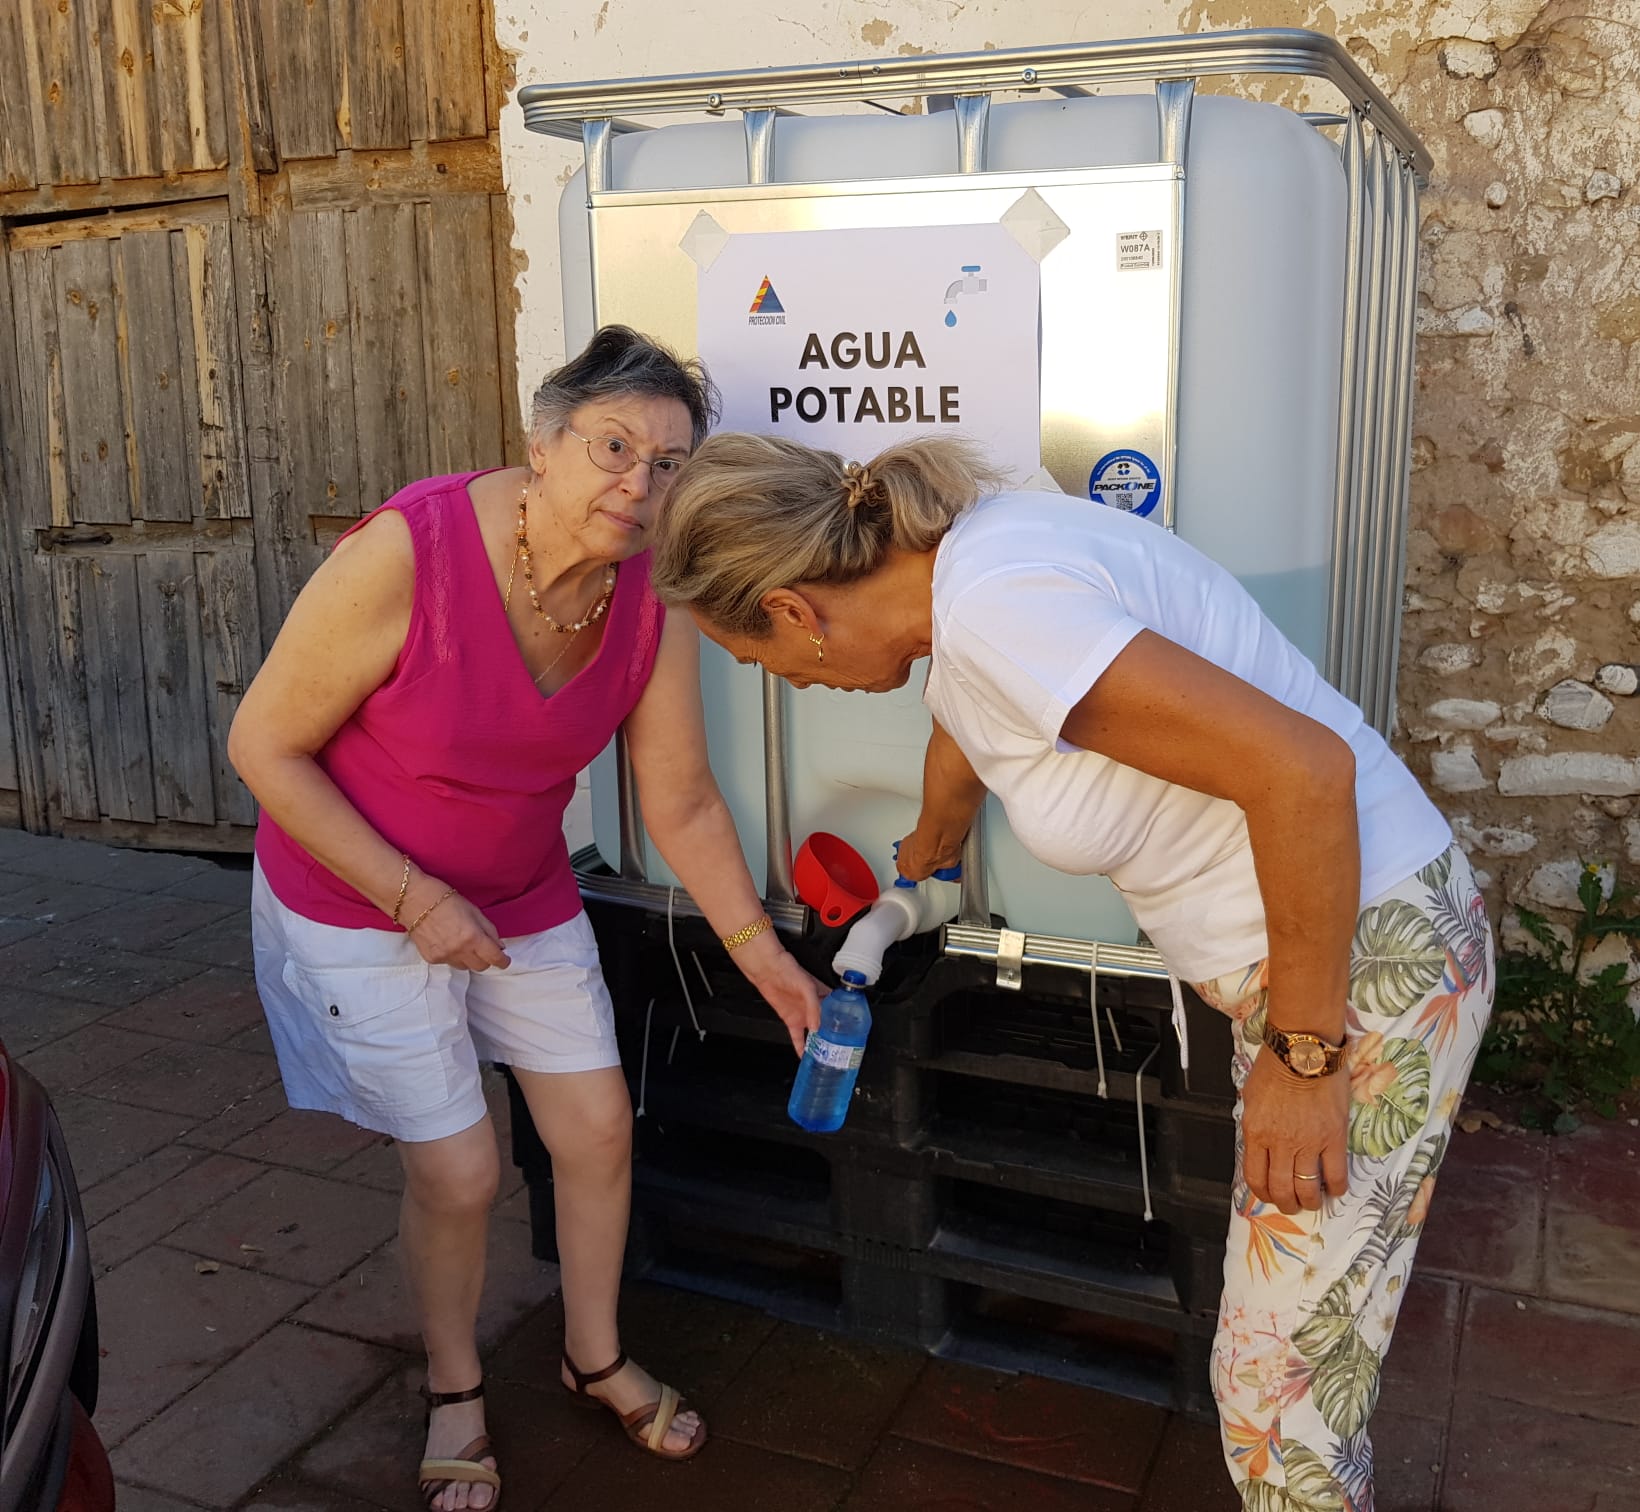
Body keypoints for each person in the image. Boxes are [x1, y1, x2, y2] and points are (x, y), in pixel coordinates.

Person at [651, 434, 1494, 1509]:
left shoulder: (999, 611)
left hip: (1363, 978)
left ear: (793, 611)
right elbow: (971, 717)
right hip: (1341, 956)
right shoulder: (969, 567)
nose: (784, 679)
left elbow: (1304, 773)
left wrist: (1304, 1054)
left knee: (1277, 1399)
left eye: (757, 661)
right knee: (1291, 1366)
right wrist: (933, 838)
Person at [228, 327, 825, 1511]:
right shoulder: (411, 551)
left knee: (597, 1126)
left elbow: (683, 798)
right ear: (543, 444)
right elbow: (263, 745)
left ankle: (589, 1354)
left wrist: (767, 959)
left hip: (518, 887)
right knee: (458, 1170)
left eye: (667, 466)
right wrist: (416, 898)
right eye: (613, 447)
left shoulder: (647, 593)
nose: (637, 485)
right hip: (358, 895)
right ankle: (455, 1385)